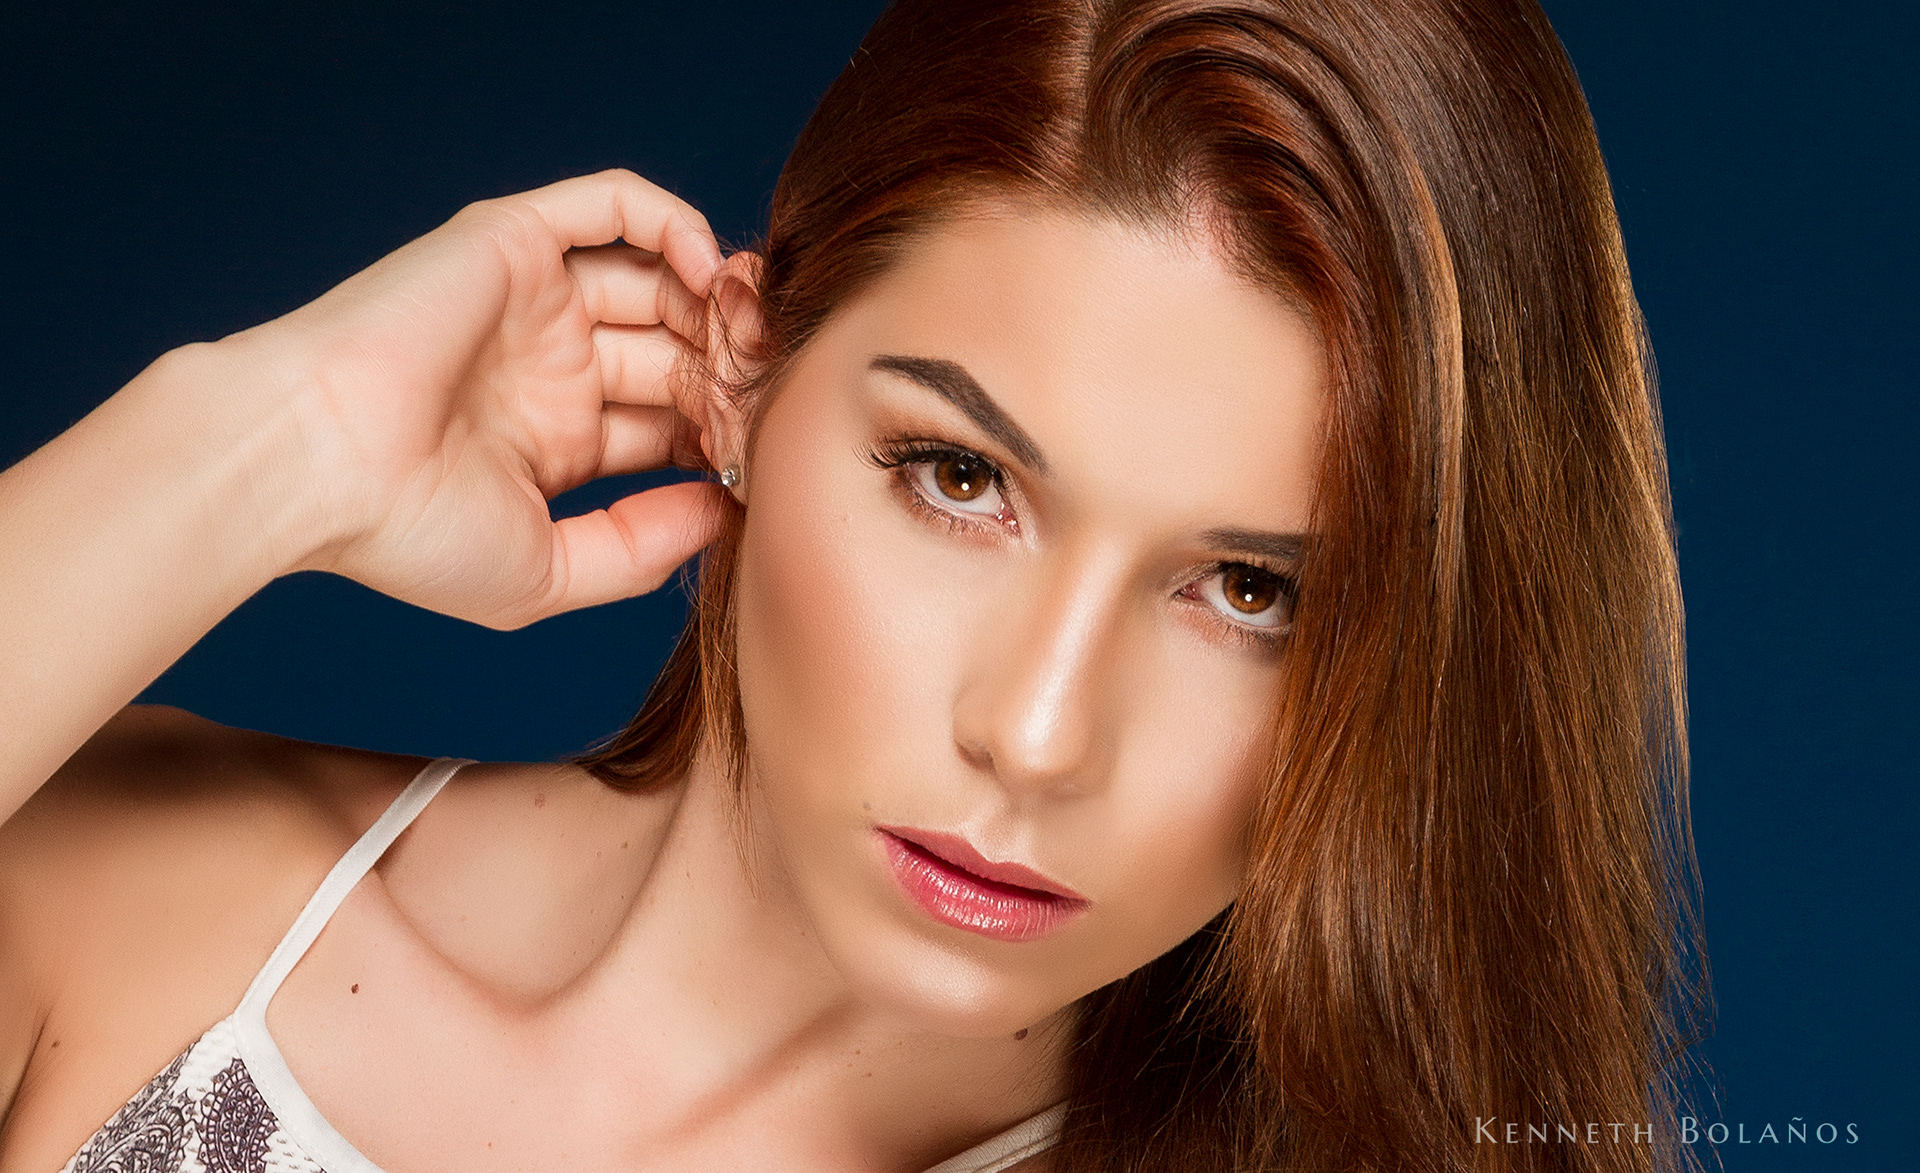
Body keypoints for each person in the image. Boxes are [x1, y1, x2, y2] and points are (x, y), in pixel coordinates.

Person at [0, 0, 1707, 1170]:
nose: (1037, 732)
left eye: (1253, 591)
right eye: (961, 479)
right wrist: (258, 444)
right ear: (740, 376)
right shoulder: (136, 894)